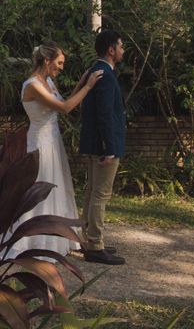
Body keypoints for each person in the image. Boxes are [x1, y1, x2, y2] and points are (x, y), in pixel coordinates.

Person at [6, 41, 103, 259]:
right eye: (59, 63)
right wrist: (88, 87)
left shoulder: (48, 81)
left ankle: (56, 236)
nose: (61, 67)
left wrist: (80, 83)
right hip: (40, 142)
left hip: (53, 141)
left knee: (58, 187)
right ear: (47, 60)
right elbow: (65, 108)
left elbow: (64, 101)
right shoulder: (33, 86)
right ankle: (33, 239)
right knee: (39, 189)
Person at [79, 30, 126, 265]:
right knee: (100, 194)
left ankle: (88, 240)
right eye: (121, 46)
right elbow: (105, 114)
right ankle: (95, 244)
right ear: (111, 49)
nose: (122, 50)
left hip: (93, 143)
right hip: (104, 145)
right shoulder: (105, 75)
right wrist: (109, 147)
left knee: (92, 191)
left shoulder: (94, 71)